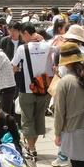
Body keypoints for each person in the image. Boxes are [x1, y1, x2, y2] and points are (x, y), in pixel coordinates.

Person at [12, 24, 51, 158]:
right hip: (42, 89)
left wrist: (22, 70)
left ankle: (31, 149)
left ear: (26, 33)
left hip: (26, 89)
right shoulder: (46, 46)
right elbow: (57, 46)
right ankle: (31, 146)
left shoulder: (23, 48)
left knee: (27, 120)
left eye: (22, 35)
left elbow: (14, 67)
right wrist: (43, 40)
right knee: (39, 119)